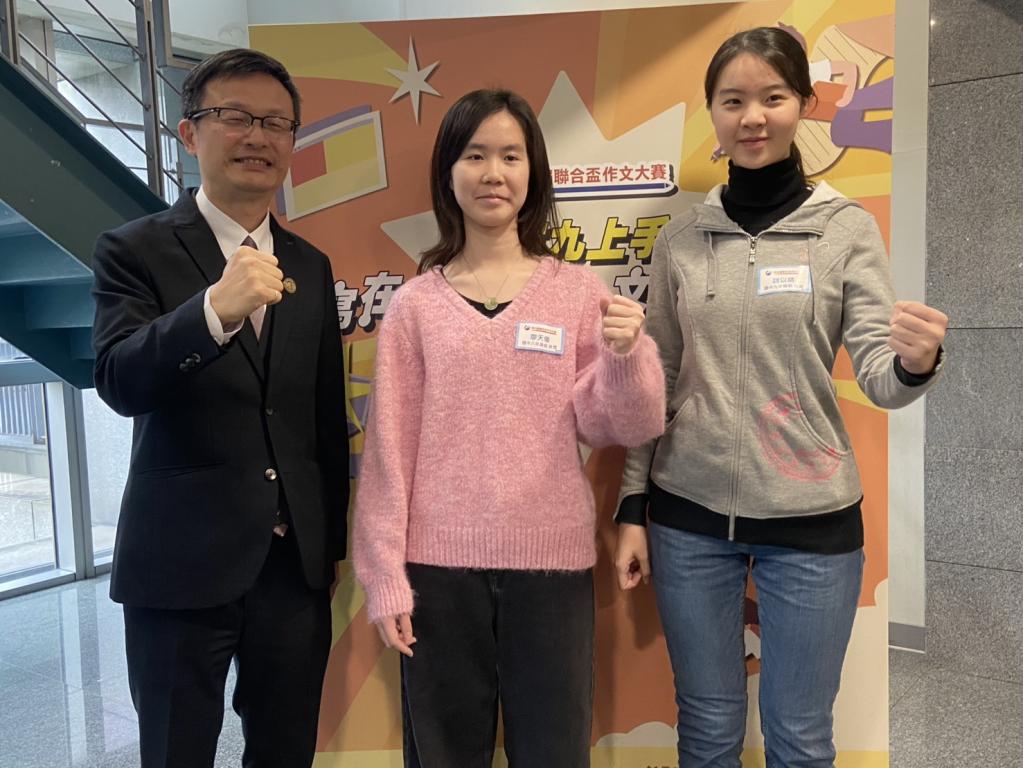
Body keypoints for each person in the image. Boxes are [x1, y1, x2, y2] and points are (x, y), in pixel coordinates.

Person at [613, 27, 947, 768]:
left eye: (772, 97)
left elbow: (879, 374)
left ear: (803, 104)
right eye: (732, 101)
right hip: (688, 520)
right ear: (712, 112)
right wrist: (632, 504)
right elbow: (653, 381)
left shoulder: (844, 230)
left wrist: (915, 363)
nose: (752, 117)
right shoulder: (680, 240)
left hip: (812, 524)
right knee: (707, 731)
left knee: (798, 738)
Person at [352, 88, 665, 767]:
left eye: (510, 156)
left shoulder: (578, 292)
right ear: (448, 173)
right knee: (442, 753)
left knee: (553, 751)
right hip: (437, 573)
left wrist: (628, 357)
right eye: (474, 156)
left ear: (533, 173)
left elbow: (622, 424)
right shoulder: (415, 306)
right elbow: (388, 454)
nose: (492, 173)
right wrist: (385, 577)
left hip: (551, 568)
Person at [91, 48, 349, 768]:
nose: (257, 137)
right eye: (235, 117)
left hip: (290, 570)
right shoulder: (132, 250)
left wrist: (326, 547)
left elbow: (321, 417)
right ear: (188, 132)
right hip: (179, 564)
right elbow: (117, 380)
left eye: (276, 123)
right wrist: (213, 312)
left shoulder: (309, 264)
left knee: (286, 751)